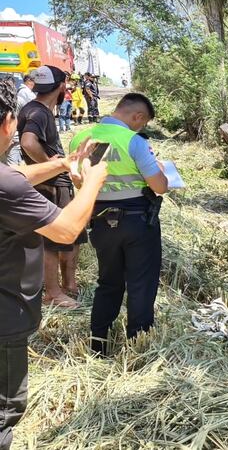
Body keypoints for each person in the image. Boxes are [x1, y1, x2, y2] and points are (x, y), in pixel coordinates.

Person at [0, 76, 107, 450]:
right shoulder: (6, 186)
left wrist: (64, 162)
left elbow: (17, 175)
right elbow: (65, 230)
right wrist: (92, 180)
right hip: (5, 319)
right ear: (8, 123)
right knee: (4, 412)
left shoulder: (6, 179)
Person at [69, 93, 168, 355]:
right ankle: (138, 347)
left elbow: (79, 182)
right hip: (138, 221)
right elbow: (159, 186)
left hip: (100, 222)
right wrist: (163, 174)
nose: (141, 127)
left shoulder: (80, 139)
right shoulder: (133, 141)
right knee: (141, 284)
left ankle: (98, 345)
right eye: (143, 122)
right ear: (137, 116)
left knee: (108, 283)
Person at [18, 66, 86, 308]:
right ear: (59, 87)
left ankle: (68, 286)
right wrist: (50, 165)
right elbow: (27, 142)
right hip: (52, 185)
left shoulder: (35, 108)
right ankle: (54, 293)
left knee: (70, 236)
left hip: (50, 182)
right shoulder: (39, 113)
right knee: (54, 239)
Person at [0, 75, 35, 166]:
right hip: (12, 137)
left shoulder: (17, 100)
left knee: (9, 165)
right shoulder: (19, 100)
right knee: (11, 166)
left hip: (13, 138)